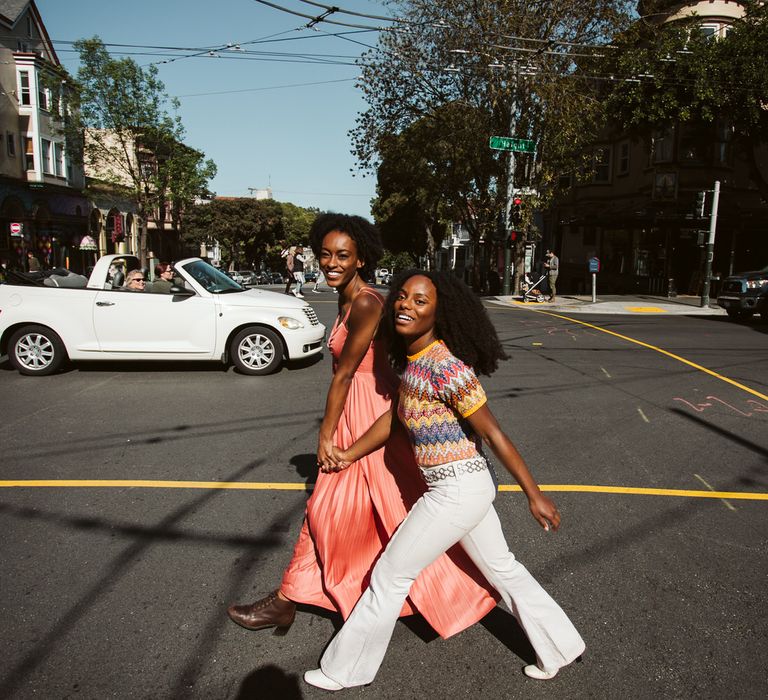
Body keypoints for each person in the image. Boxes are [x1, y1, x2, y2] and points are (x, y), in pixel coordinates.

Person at [304, 270, 585, 692]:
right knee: (503, 570)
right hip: (460, 486)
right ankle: (561, 648)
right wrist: (347, 454)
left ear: (439, 312)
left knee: (390, 577)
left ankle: (344, 671)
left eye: (420, 301)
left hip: (457, 488)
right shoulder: (414, 363)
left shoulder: (446, 367)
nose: (405, 306)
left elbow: (492, 433)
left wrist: (534, 495)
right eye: (402, 297)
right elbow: (394, 422)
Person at [227, 215, 497, 640]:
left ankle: (454, 589)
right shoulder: (346, 297)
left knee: (338, 507)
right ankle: (295, 597)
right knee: (372, 509)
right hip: (362, 408)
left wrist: (326, 437)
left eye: (343, 256)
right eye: (326, 254)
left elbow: (345, 374)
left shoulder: (367, 303)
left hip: (369, 413)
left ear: (361, 259)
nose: (331, 263)